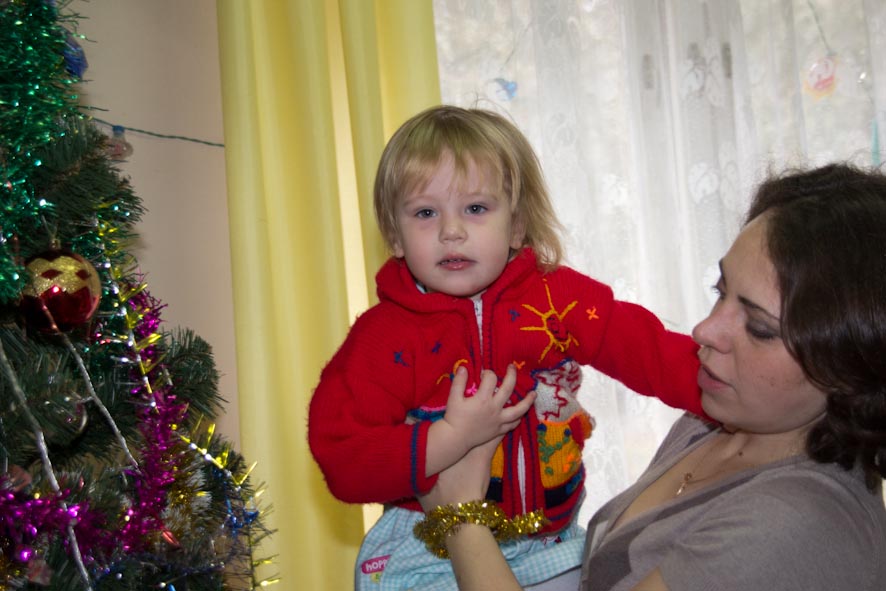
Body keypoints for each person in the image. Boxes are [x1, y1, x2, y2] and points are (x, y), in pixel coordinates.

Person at [416, 162, 886, 591]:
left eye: (759, 329)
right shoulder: (715, 421)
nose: (704, 331)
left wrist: (459, 516)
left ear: (848, 368)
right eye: (720, 291)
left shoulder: (794, 525)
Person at [307, 105, 706, 590]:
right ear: (395, 236)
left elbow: (652, 352)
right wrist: (449, 438)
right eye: (426, 213)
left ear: (517, 225)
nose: (451, 231)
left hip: (550, 540)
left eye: (475, 209)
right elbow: (341, 456)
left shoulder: (558, 301)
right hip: (428, 545)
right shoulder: (384, 337)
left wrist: (740, 390)